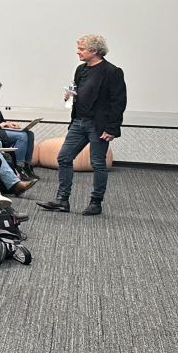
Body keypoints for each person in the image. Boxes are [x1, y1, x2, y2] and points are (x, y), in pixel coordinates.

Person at [39, 34, 127, 217]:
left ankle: (96, 202)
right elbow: (77, 90)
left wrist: (112, 128)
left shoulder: (112, 71)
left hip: (99, 125)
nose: (77, 52)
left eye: (81, 49)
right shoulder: (80, 69)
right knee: (63, 158)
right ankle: (62, 200)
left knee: (98, 163)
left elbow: (119, 102)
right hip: (79, 122)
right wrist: (70, 96)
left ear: (94, 51)